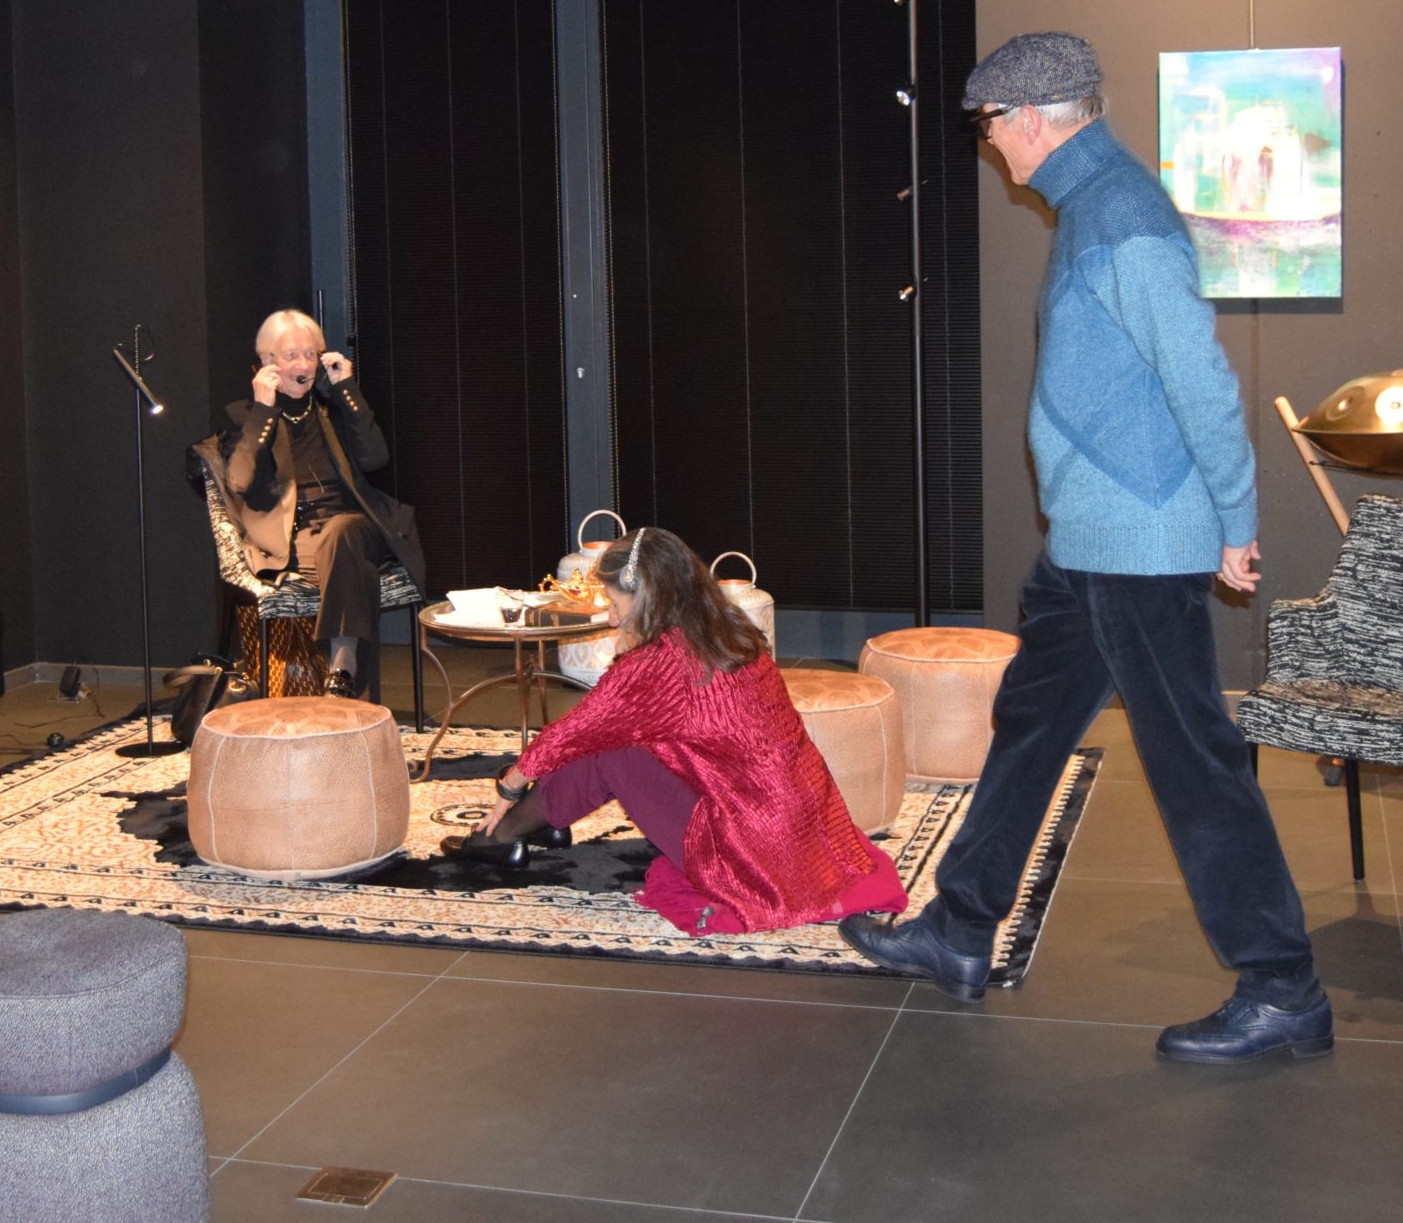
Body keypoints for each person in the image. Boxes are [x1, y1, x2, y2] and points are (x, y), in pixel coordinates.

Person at [838, 31, 1331, 1065]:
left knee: (1192, 759)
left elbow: (1199, 378)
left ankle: (1283, 986)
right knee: (1030, 723)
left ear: (1030, 119)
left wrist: (1235, 519)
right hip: (1091, 542)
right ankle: (960, 927)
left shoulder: (1121, 219)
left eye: (987, 126)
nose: (987, 143)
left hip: (1138, 542)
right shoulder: (1092, 206)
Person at [466, 527, 907, 936]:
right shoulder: (729, 629)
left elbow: (574, 731)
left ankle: (503, 835)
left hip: (750, 852)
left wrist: (510, 785)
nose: (613, 620)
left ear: (649, 599)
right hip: (805, 830)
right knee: (614, 731)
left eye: (616, 604)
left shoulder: (661, 663)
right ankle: (545, 821)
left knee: (611, 745)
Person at [195, 309, 425, 699]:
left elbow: (375, 459)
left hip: (357, 525)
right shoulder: (247, 417)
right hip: (296, 538)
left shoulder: (333, 409)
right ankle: (350, 695)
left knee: (342, 535)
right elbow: (241, 481)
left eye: (310, 355)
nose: (303, 366)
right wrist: (264, 409)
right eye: (291, 356)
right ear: (267, 362)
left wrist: (346, 388)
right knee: (353, 568)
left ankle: (342, 666)